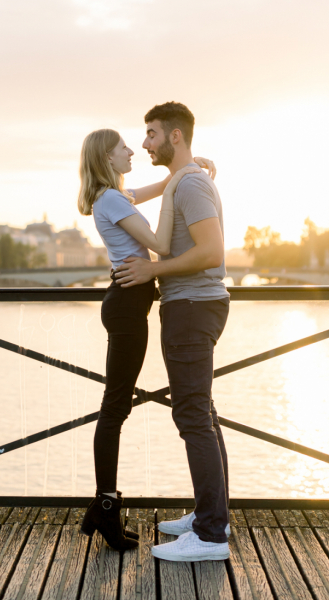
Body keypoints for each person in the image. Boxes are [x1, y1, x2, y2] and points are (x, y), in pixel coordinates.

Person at [77, 128, 216, 551]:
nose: (132, 149)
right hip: (126, 309)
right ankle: (104, 507)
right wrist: (180, 184)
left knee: (115, 406)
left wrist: (182, 172)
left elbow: (152, 188)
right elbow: (158, 244)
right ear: (106, 156)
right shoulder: (114, 199)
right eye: (122, 147)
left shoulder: (113, 195)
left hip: (127, 305)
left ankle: (105, 506)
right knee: (115, 407)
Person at [114, 102, 230, 563]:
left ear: (175, 136)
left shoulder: (193, 184)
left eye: (151, 134)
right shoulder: (184, 181)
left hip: (191, 307)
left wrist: (152, 269)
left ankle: (210, 535)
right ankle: (211, 513)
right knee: (202, 412)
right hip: (190, 306)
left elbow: (211, 252)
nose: (144, 144)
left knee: (192, 418)